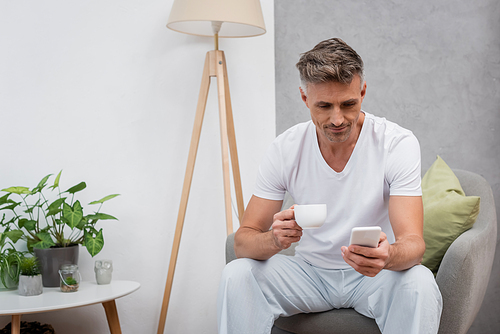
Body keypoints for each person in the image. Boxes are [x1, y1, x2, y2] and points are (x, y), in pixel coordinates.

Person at [217, 37, 442, 334]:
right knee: (237, 274)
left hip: (374, 276)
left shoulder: (396, 143)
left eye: (348, 104)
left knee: (419, 282)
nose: (337, 119)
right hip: (309, 275)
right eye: (324, 106)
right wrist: (275, 239)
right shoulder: (285, 148)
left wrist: (388, 255)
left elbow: (414, 244)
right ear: (304, 98)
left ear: (362, 91)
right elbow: (243, 242)